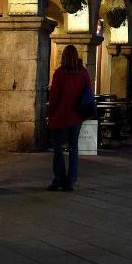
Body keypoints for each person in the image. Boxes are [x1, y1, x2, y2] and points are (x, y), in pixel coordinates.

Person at [47, 45, 92, 191]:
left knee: (57, 147)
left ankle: (59, 178)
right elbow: (89, 91)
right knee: (73, 147)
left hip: (61, 115)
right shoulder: (83, 72)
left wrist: (50, 112)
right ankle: (71, 180)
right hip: (77, 115)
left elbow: (54, 96)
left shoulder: (59, 73)